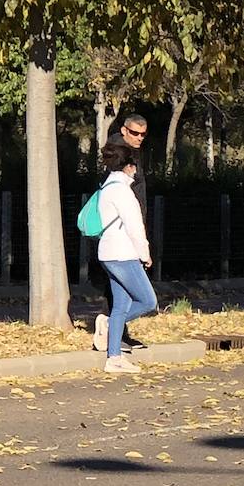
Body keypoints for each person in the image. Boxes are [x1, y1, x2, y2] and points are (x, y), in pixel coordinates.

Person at [96, 141, 157, 374]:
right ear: (129, 167)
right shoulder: (123, 191)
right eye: (135, 166)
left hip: (108, 253)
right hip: (123, 254)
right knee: (148, 301)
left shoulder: (106, 188)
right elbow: (135, 226)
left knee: (121, 305)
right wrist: (145, 253)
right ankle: (108, 326)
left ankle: (114, 358)